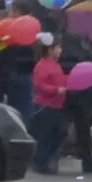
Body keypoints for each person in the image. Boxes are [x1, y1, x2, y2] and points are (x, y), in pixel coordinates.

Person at [29, 39, 71, 174]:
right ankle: (40, 162)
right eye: (58, 48)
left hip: (57, 105)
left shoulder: (56, 65)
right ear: (49, 50)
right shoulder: (41, 66)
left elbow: (61, 79)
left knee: (61, 132)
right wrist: (55, 89)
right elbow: (39, 85)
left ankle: (46, 158)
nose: (60, 51)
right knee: (44, 135)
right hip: (45, 105)